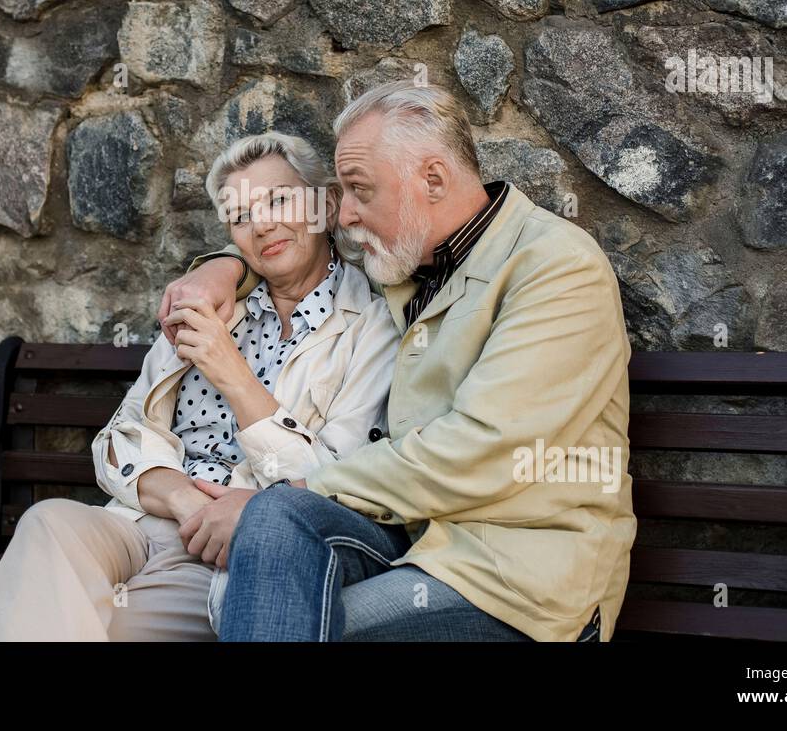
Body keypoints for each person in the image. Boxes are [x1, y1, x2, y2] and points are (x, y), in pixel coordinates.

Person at [158, 80, 635, 642]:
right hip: (412, 544)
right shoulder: (408, 263)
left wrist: (307, 489)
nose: (349, 216)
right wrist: (224, 266)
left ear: (432, 179)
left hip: (515, 582)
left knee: (291, 611)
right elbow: (295, 253)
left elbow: (482, 449)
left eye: (360, 191)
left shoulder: (554, 267)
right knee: (275, 519)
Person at [0, 132, 400, 640]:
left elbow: (327, 482)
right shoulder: (210, 305)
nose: (261, 225)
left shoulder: (371, 326)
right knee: (48, 523)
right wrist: (181, 500)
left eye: (279, 200)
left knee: (103, 627)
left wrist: (230, 371)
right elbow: (119, 437)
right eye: (240, 216)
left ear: (326, 206)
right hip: (143, 521)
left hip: (230, 553)